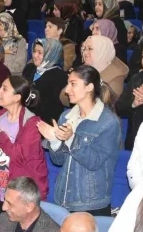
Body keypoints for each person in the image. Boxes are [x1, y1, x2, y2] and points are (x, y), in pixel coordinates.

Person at [40, 65, 121, 216]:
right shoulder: (66, 117)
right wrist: (55, 141)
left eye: (73, 84)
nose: (67, 90)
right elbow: (58, 161)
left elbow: (94, 162)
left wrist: (71, 139)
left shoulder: (108, 122)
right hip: (64, 199)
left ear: (89, 87)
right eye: (68, 84)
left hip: (90, 203)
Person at [0, 75, 48, 201]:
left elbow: (19, 157)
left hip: (20, 193)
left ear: (17, 97)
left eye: (4, 89)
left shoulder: (32, 123)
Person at [22, 38, 68, 123]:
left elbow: (52, 107)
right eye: (34, 51)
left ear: (51, 54)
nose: (35, 55)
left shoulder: (59, 76)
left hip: (43, 122)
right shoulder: (29, 68)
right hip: (23, 116)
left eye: (40, 53)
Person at [78, 35, 129, 107]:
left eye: (90, 49)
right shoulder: (85, 68)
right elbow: (64, 98)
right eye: (84, 49)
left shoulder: (115, 79)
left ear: (102, 51)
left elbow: (104, 106)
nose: (85, 53)